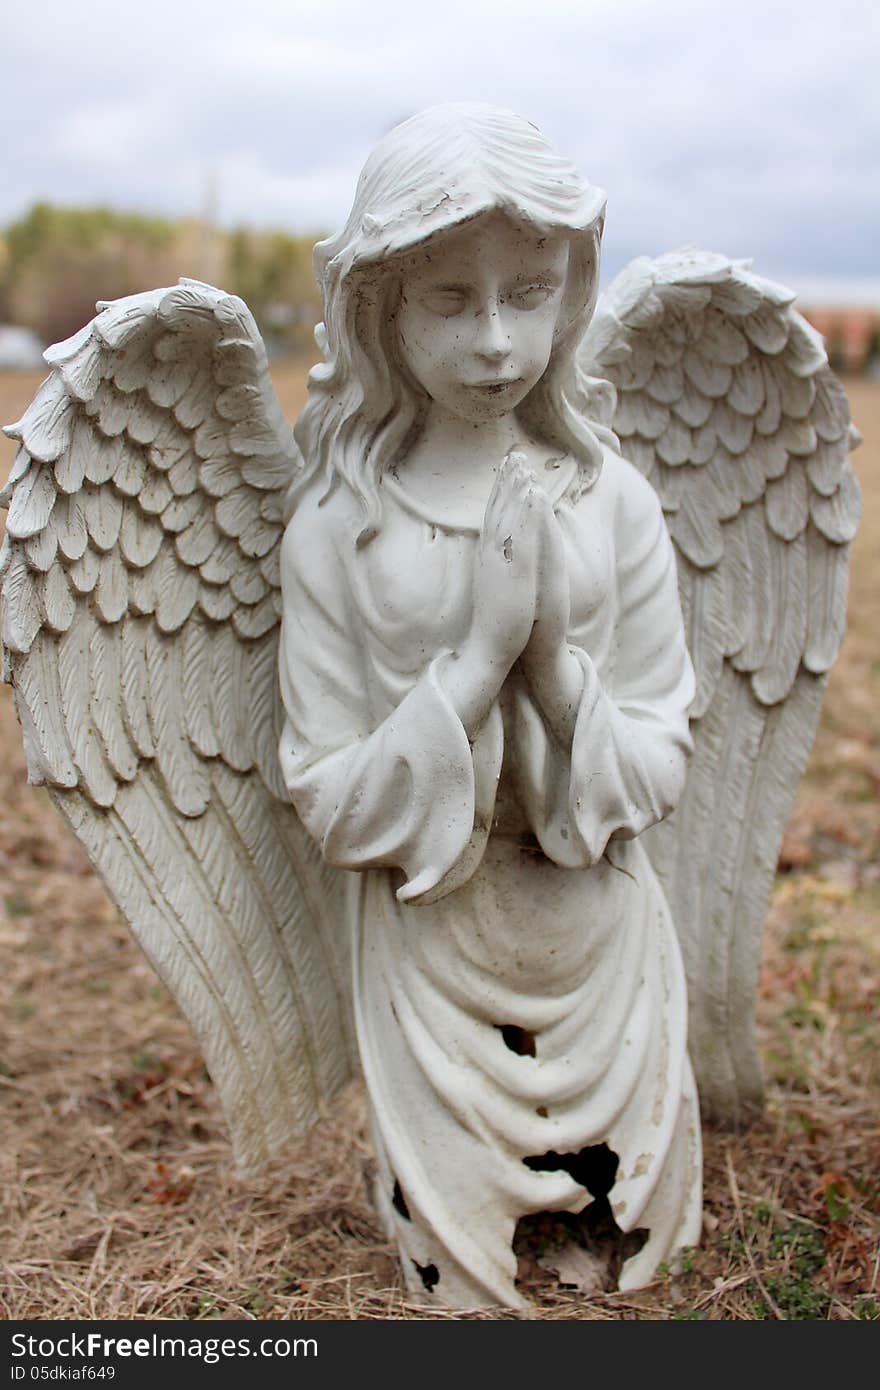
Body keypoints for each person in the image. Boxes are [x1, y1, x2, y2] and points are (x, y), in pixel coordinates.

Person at [278, 103, 702, 1307]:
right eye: (450, 301)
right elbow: (327, 789)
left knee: (624, 1224)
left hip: (599, 930)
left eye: (529, 291)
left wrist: (557, 663)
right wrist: (472, 659)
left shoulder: (610, 499)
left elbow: (661, 752)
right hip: (433, 951)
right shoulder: (337, 527)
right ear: (380, 308)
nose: (497, 341)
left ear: (574, 292)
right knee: (463, 1261)